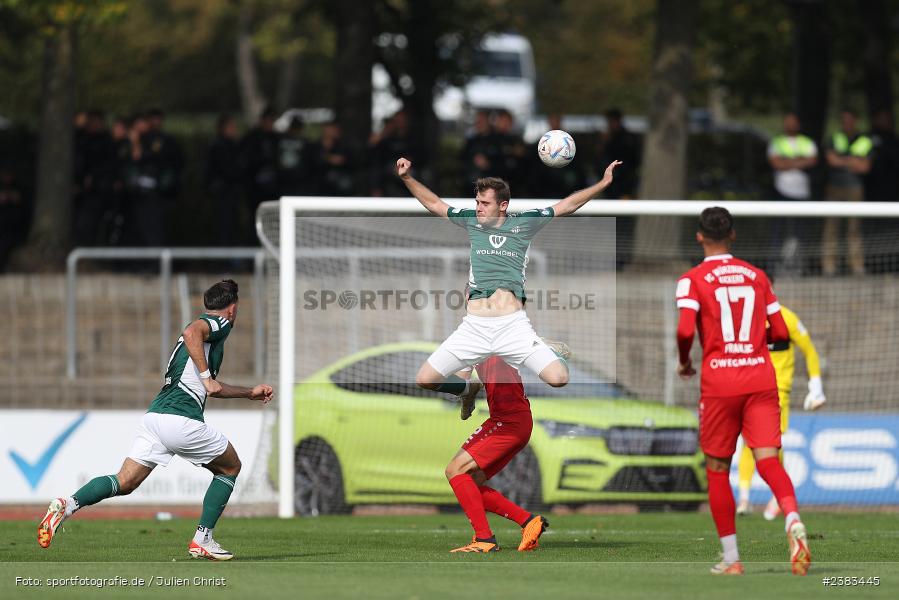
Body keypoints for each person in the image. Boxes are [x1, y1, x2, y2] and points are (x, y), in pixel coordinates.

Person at [37, 280, 274, 561]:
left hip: (155, 419)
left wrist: (249, 393)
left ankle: (68, 505)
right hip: (180, 421)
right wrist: (207, 377)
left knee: (124, 482)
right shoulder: (217, 324)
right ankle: (203, 539)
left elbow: (212, 388)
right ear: (232, 309)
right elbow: (192, 334)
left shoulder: (200, 342)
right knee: (230, 467)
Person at [395, 156, 621, 410]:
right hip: (474, 328)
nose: (479, 208)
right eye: (477, 202)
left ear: (502, 205)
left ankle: (544, 348)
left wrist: (603, 183)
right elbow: (435, 203)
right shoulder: (471, 220)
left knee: (559, 379)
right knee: (424, 379)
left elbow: (567, 205)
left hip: (512, 327)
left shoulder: (524, 223)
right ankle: (468, 388)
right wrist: (406, 178)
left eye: (485, 203)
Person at [675, 207, 811, 576]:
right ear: (733, 235)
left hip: (720, 382)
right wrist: (754, 341)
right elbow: (781, 333)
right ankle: (793, 519)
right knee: (768, 460)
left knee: (718, 469)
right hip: (759, 377)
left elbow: (686, 331)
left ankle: (732, 560)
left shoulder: (692, 280)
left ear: (699, 237)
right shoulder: (757, 276)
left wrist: (686, 362)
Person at [445, 355, 553, 553]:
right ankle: (529, 522)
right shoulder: (478, 346)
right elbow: (463, 380)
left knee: (455, 470)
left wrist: (433, 375)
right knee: (471, 482)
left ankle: (484, 539)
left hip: (508, 423)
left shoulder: (495, 341)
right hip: (511, 421)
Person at [736, 295, 826, 518]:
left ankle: (776, 495)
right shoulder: (748, 320)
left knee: (768, 443)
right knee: (749, 441)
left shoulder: (787, 318)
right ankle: (746, 497)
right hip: (750, 390)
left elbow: (810, 351)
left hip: (778, 393)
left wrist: (816, 387)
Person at [766, 113, 818, 275]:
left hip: (801, 193)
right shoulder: (777, 142)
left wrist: (787, 162)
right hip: (781, 191)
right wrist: (799, 161)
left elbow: (812, 161)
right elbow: (776, 163)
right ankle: (774, 266)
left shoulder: (807, 142)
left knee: (799, 232)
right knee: (778, 231)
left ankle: (798, 267)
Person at [822, 109, 872, 276]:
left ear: (855, 121)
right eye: (843, 120)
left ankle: (856, 265)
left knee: (854, 228)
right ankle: (829, 266)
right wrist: (852, 160)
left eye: (849, 119)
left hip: (855, 188)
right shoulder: (834, 138)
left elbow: (865, 167)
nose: (846, 123)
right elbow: (831, 161)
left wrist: (842, 160)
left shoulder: (864, 140)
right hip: (835, 187)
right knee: (831, 227)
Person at [205, 115, 244, 246]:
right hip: (222, 193)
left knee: (233, 225)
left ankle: (232, 258)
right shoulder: (217, 146)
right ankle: (223, 259)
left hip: (232, 193)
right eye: (231, 127)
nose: (235, 130)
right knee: (223, 225)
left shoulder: (234, 145)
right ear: (223, 128)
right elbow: (226, 170)